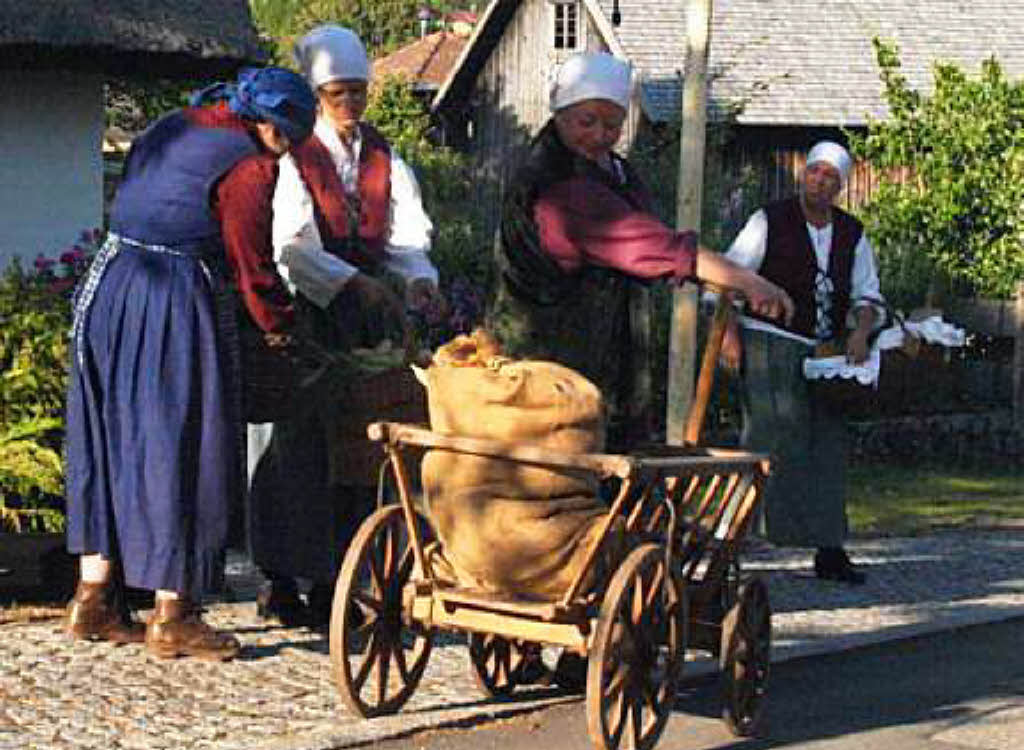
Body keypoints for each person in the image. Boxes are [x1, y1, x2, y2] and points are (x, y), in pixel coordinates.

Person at [63, 67, 317, 660]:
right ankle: (174, 614)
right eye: (290, 138)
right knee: (183, 441)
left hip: (109, 284)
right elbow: (251, 265)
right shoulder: (250, 167)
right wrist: (282, 325)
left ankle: (93, 599)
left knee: (109, 437)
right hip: (168, 296)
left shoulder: (170, 126)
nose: (289, 150)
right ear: (272, 126)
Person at [487, 51, 794, 450]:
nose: (599, 134)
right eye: (587, 121)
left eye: (612, 124)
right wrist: (744, 279)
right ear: (559, 114)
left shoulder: (612, 172)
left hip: (598, 372)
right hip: (550, 380)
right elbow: (647, 244)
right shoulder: (558, 188)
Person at [247, 25, 445, 629]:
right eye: (338, 94)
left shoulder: (382, 154)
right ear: (315, 93)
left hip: (366, 319)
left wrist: (417, 277)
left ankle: (344, 577)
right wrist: (351, 283)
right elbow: (292, 244)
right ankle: (284, 577)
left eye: (358, 92)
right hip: (308, 313)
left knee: (363, 452)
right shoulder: (295, 158)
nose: (352, 106)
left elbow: (406, 233)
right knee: (301, 450)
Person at [718, 140, 884, 584]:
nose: (821, 181)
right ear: (803, 175)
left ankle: (830, 549)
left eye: (831, 176)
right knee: (769, 439)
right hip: (770, 343)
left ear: (840, 185)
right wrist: (730, 333)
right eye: (815, 172)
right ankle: (737, 537)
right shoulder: (768, 220)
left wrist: (861, 333)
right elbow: (729, 277)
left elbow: (868, 294)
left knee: (828, 444)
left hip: (826, 352)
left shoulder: (852, 232)